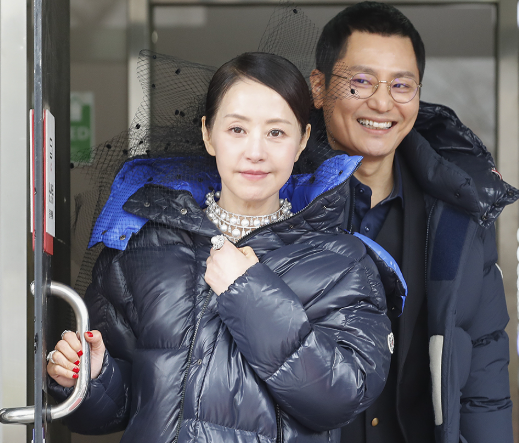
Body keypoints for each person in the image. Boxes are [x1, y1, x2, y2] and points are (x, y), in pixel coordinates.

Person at [46, 52, 405, 443]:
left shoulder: (344, 265)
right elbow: (122, 408)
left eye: (276, 133)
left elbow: (340, 397)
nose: (255, 151)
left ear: (302, 139)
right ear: (208, 134)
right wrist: (93, 377)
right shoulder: (143, 249)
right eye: (237, 129)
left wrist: (247, 291)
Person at [305, 2, 518, 443]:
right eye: (361, 81)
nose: (382, 102)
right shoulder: (277, 203)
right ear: (319, 87)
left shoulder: (459, 214)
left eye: (401, 85)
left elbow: (483, 376)